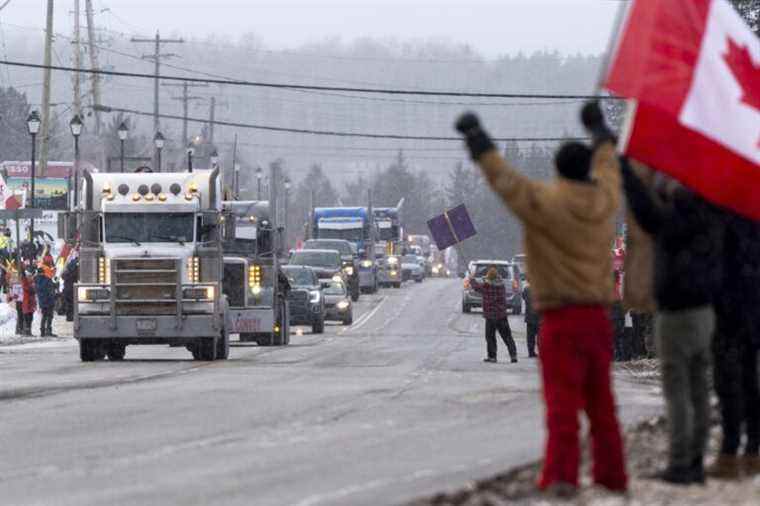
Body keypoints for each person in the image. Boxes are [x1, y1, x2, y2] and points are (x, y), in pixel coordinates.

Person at [455, 101, 626, 496]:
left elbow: (504, 180)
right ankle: (611, 475)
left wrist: (478, 140)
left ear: (557, 170)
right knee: (602, 403)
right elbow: (611, 168)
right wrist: (600, 131)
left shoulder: (543, 203)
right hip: (598, 316)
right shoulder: (604, 204)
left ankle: (562, 476)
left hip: (560, 318)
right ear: (588, 169)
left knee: (562, 405)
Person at [620, 158, 723, 485]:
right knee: (698, 389)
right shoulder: (711, 218)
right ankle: (696, 456)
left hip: (676, 313)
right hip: (705, 310)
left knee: (677, 390)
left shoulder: (671, 220)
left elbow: (642, 207)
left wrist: (625, 169)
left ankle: (682, 462)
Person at [709, 213, 760, 479]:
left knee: (728, 380)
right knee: (749, 378)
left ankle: (730, 450)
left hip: (730, 306)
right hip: (752, 304)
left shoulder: (725, 217)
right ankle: (753, 447)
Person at [469, 267, 518, 363]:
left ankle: (492, 356)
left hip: (490, 316)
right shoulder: (501, 285)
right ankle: (513, 355)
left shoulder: (487, 286)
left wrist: (472, 279)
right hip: (501, 315)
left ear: (489, 276)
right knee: (507, 337)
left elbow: (477, 288)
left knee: (490, 337)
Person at [35, 255, 58, 337]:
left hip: (42, 301)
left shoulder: (36, 281)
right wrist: (56, 285)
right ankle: (48, 330)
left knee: (44, 316)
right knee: (49, 316)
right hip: (49, 300)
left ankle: (42, 331)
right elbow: (51, 288)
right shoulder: (47, 279)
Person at [522, 280, 539, 358]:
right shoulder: (542, 289)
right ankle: (541, 351)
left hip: (530, 316)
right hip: (540, 317)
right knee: (540, 336)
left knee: (530, 336)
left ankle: (531, 352)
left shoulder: (526, 289)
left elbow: (524, 297)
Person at [61, 252, 79, 322]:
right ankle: (70, 316)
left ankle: (69, 317)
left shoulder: (67, 270)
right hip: (71, 289)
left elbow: (63, 276)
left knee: (69, 304)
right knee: (72, 303)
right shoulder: (75, 268)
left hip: (67, 289)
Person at [21, 264, 36, 336]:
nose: (31, 277)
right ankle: (27, 331)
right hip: (27, 302)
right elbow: (27, 288)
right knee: (27, 318)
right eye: (29, 276)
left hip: (31, 303)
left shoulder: (32, 282)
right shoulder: (25, 282)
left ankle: (29, 330)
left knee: (31, 318)